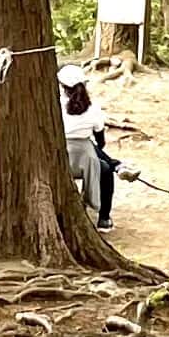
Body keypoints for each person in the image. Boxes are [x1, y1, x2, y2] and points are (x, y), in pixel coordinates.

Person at [60, 64, 118, 229]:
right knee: (106, 170)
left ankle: (117, 164)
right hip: (86, 164)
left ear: (62, 86)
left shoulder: (53, 106)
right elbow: (101, 141)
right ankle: (104, 219)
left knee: (89, 146)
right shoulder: (93, 108)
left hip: (58, 161)